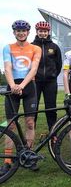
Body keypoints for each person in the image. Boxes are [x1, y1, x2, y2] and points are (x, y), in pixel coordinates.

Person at [1, 20, 42, 173]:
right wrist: (13, 86)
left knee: (30, 122)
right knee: (10, 125)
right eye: (18, 31)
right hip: (13, 87)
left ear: (28, 32)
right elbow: (7, 67)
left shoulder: (35, 48)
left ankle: (29, 155)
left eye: (24, 30)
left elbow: (34, 68)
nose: (21, 33)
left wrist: (21, 86)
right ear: (14, 32)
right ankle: (7, 160)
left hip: (28, 87)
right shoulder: (8, 48)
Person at [31, 21, 62, 130]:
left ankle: (52, 132)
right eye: (40, 31)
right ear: (37, 31)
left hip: (50, 82)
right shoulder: (31, 46)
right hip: (35, 82)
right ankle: (31, 132)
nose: (43, 33)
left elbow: (59, 64)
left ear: (48, 32)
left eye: (45, 31)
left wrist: (52, 75)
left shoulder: (54, 47)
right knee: (33, 108)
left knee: (51, 108)